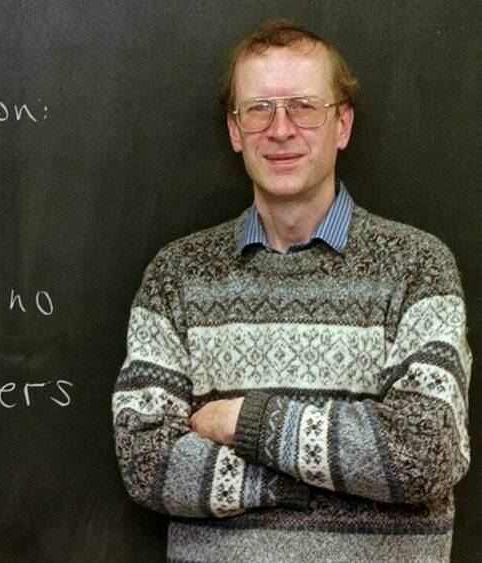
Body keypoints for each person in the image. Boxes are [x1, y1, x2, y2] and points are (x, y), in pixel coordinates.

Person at [112, 19, 470, 562]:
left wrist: (243, 422)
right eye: (258, 109)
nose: (280, 130)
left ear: (342, 124)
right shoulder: (177, 276)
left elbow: (425, 454)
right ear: (235, 130)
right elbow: (147, 464)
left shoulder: (418, 267)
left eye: (304, 107)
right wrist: (320, 479)